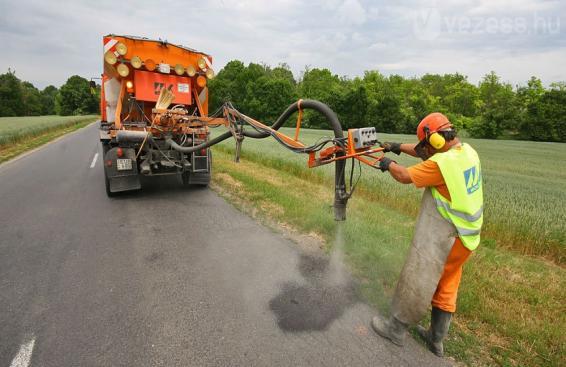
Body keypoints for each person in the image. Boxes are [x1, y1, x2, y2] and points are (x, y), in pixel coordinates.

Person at [370, 112, 484, 357]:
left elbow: (404, 176)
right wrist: (396, 147)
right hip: (467, 239)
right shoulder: (466, 152)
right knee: (447, 282)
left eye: (426, 145)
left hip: (447, 238)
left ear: (436, 142)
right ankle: (436, 339)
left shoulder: (441, 165)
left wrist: (387, 162)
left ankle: (396, 328)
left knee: (419, 274)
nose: (425, 151)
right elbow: (426, 151)